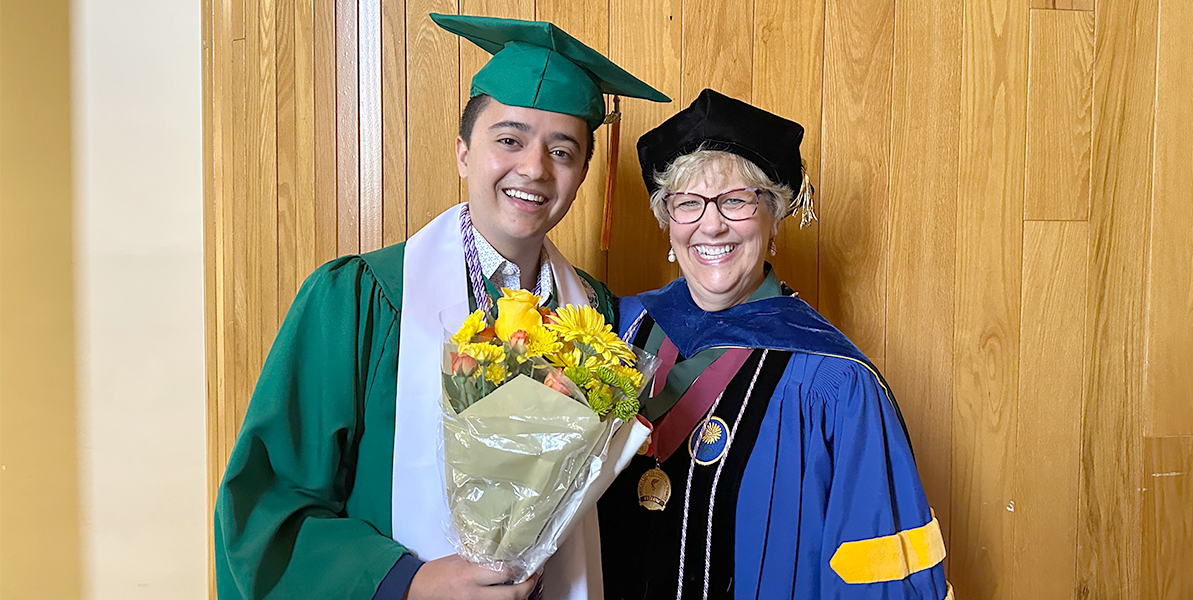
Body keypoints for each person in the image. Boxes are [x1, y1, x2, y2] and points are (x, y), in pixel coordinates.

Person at [213, 14, 668, 600]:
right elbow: (266, 510)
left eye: (563, 151)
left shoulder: (597, 315)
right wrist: (408, 581)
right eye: (509, 139)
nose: (533, 168)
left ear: (582, 176)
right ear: (462, 152)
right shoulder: (361, 300)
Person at [598, 89, 951, 600]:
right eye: (688, 203)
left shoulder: (835, 382)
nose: (711, 223)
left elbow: (879, 579)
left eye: (736, 200)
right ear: (667, 219)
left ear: (774, 216)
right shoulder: (619, 331)